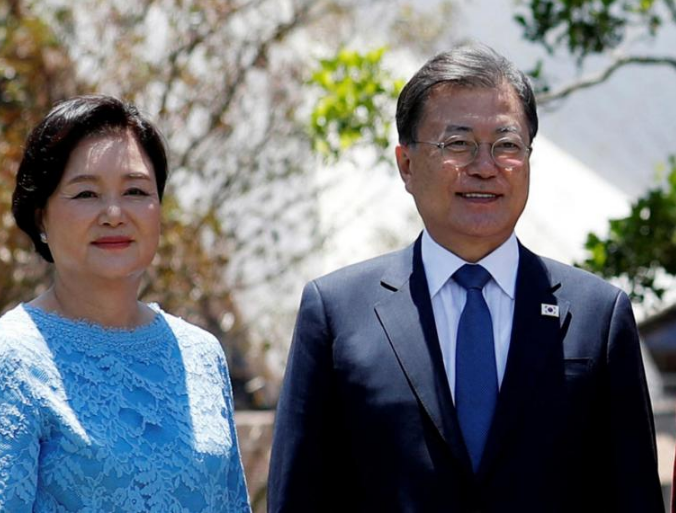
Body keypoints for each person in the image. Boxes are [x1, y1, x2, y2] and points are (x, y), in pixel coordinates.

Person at [268, 43, 663, 512]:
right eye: (458, 144)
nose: (484, 167)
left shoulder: (598, 315)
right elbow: (298, 497)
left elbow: (633, 496)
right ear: (407, 164)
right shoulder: (337, 312)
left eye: (506, 145)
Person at [0, 95, 251, 512]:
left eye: (135, 191)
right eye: (86, 193)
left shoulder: (202, 355)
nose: (113, 213)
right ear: (40, 216)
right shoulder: (6, 361)